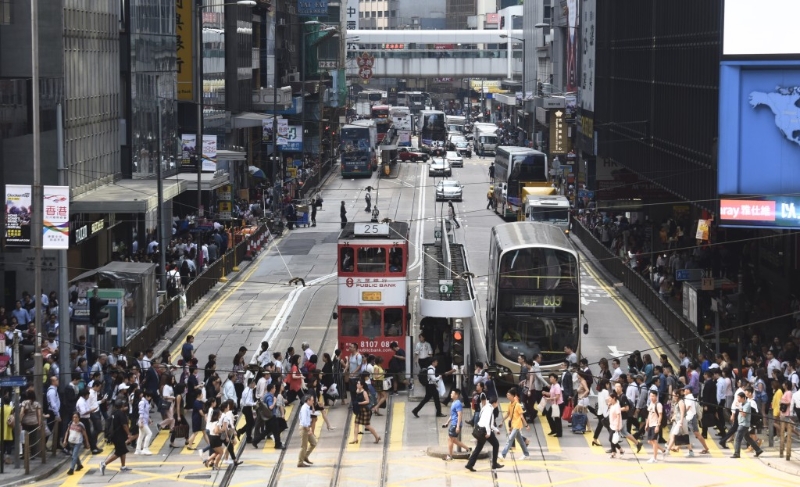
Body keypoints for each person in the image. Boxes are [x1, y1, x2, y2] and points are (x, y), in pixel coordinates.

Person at [464, 394, 503, 472]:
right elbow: (487, 423)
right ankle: (494, 464)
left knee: (479, 447)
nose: (497, 404)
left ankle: (470, 464)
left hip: (480, 429)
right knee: (496, 444)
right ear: (494, 403)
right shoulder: (489, 409)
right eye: (497, 403)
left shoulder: (486, 407)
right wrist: (488, 433)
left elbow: (490, 423)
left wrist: (496, 430)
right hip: (484, 430)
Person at [100, 398, 133, 475]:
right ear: (122, 406)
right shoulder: (121, 414)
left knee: (123, 450)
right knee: (119, 452)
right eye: (124, 406)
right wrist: (129, 434)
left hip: (114, 435)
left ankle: (123, 466)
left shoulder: (113, 413)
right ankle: (104, 464)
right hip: (119, 436)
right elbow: (124, 425)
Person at [500, 387, 530, 460]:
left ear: (514, 396)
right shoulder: (510, 404)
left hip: (517, 425)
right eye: (507, 395)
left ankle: (503, 455)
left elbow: (522, 416)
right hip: (513, 425)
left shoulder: (518, 405)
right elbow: (508, 414)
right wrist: (502, 421)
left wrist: (526, 425)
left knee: (510, 439)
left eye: (509, 395)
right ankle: (526, 454)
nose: (508, 396)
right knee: (521, 441)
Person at [731, 391, 763, 458]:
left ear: (743, 398)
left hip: (744, 424)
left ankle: (737, 453)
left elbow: (744, 414)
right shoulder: (742, 404)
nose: (738, 399)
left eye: (739, 398)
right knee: (748, 438)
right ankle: (758, 450)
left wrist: (739, 407)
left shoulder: (747, 405)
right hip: (742, 423)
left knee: (737, 438)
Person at [442, 389, 471, 461]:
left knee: (450, 439)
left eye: (452, 393)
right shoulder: (453, 403)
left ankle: (450, 456)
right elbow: (453, 415)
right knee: (453, 440)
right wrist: (447, 422)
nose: (451, 394)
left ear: (456, 395)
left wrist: (458, 426)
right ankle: (468, 449)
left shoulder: (458, 403)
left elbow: (459, 415)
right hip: (453, 423)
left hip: (455, 424)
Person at [350, 380, 381, 444]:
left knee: (367, 425)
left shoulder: (364, 392)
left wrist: (359, 403)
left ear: (362, 385)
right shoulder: (357, 391)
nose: (357, 385)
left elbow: (367, 401)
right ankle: (355, 438)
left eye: (358, 384)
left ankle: (377, 437)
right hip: (359, 410)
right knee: (356, 423)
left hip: (365, 410)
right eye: (357, 383)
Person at [297, 394, 318, 468]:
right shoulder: (304, 409)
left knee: (314, 443)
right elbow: (303, 421)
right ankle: (300, 462)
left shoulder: (307, 407)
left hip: (306, 428)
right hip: (304, 429)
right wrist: (308, 430)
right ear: (308, 400)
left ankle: (305, 456)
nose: (313, 402)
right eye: (312, 400)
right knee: (304, 446)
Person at [644, 390, 666, 463]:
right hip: (650, 424)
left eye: (653, 396)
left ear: (656, 396)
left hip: (655, 424)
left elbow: (660, 415)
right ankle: (663, 450)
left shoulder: (658, 405)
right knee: (650, 441)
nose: (651, 398)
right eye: (650, 396)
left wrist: (657, 425)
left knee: (654, 441)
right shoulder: (651, 404)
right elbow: (649, 415)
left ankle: (654, 458)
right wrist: (647, 424)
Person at [776, 379, 794, 460]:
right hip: (783, 412)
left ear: (786, 385)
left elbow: (789, 401)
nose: (783, 384)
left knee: (788, 427)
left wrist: (782, 402)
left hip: (786, 413)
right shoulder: (786, 392)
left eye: (784, 383)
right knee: (785, 427)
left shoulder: (789, 392)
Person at [542, 373, 563, 437]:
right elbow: (551, 394)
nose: (550, 379)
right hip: (554, 404)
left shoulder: (557, 386)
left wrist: (549, 399)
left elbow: (557, 397)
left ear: (555, 379)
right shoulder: (553, 385)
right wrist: (546, 393)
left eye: (551, 377)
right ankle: (554, 429)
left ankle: (559, 433)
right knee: (548, 415)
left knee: (557, 418)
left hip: (558, 404)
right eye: (550, 377)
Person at [136, 390, 154, 455]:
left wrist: (149, 419)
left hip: (144, 421)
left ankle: (138, 450)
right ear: (146, 396)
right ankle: (145, 448)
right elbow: (141, 413)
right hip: (142, 421)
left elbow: (146, 413)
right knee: (149, 433)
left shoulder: (146, 402)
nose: (150, 398)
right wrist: (141, 422)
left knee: (141, 435)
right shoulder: (142, 402)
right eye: (150, 397)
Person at [607, 391, 624, 458]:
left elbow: (618, 416)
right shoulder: (612, 404)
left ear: (614, 398)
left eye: (610, 399)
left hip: (615, 425)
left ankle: (616, 451)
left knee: (611, 439)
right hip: (612, 424)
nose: (609, 400)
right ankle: (617, 451)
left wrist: (617, 426)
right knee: (612, 439)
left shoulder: (617, 406)